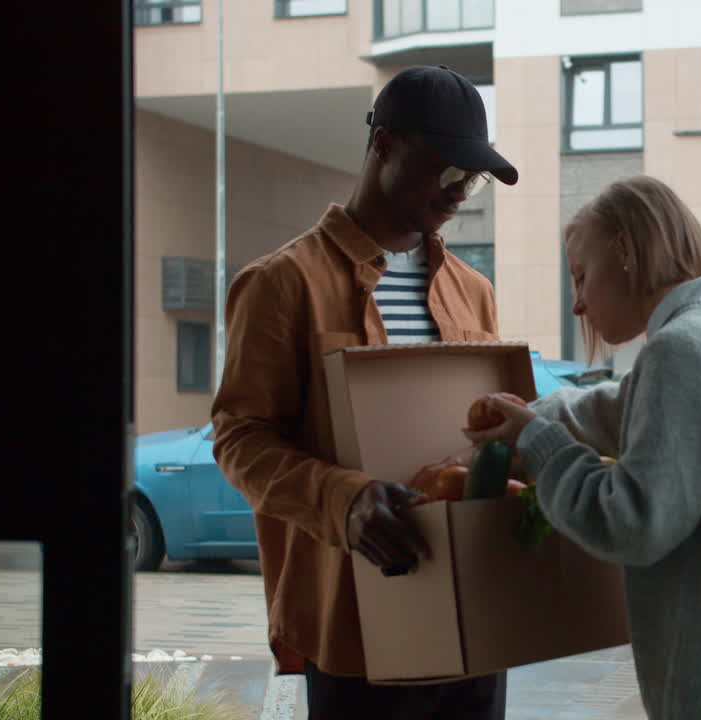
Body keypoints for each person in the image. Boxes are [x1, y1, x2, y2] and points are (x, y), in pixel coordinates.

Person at [464, 175, 701, 719]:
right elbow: (630, 406)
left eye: (581, 275)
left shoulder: (680, 350)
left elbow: (631, 522)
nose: (578, 304)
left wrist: (541, 445)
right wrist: (536, 415)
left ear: (625, 251)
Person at [211, 65, 517, 720]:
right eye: (447, 169)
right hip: (353, 627)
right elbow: (239, 440)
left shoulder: (475, 291)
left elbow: (489, 438)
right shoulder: (281, 284)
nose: (460, 191)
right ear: (383, 145)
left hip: (473, 617)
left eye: (474, 177)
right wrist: (344, 500)